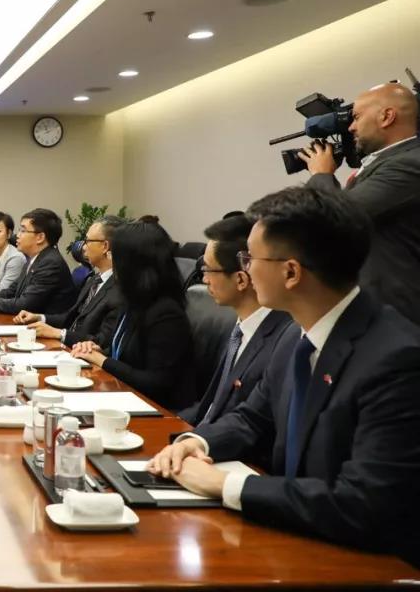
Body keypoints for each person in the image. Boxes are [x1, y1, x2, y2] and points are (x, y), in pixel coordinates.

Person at [148, 186, 420, 566]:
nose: (245, 269)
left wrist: (226, 484)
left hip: (361, 564)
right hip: (291, 539)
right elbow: (252, 417)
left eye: (250, 258)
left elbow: (363, 504)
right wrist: (198, 442)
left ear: (291, 272)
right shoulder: (295, 334)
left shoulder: (396, 359)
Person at [301, 81, 420, 327]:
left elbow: (338, 218)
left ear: (387, 116)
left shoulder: (410, 162)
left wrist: (321, 175)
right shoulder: (386, 163)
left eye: (356, 117)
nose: (351, 127)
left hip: (402, 317)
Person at [177, 215, 292, 428]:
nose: (204, 279)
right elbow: (212, 406)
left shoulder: (282, 341)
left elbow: (251, 424)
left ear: (241, 279)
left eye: (208, 269)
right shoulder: (239, 329)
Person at [69, 220, 196, 410]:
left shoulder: (166, 314)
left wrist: (102, 360)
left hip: (156, 412)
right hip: (123, 398)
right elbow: (123, 355)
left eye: (115, 255)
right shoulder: (134, 301)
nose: (112, 262)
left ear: (133, 264)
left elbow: (156, 383)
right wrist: (97, 350)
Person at [15, 215, 125, 349]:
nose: (83, 247)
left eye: (87, 241)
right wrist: (39, 318)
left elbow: (102, 342)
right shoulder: (94, 279)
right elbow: (71, 318)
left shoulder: (120, 290)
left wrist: (60, 334)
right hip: (67, 349)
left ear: (105, 246)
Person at [0, 208, 77, 315]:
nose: (17, 235)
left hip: (45, 324)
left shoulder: (50, 263)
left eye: (23, 231)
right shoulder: (34, 259)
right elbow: (11, 292)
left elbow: (24, 305)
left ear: (40, 237)